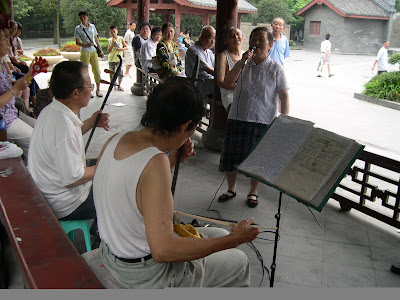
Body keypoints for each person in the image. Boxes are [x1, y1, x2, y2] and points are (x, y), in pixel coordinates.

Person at [93, 77, 259, 288]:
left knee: (220, 233)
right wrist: (235, 240)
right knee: (238, 260)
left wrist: (172, 161)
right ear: (184, 126)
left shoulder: (116, 139)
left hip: (113, 254)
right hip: (144, 274)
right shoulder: (155, 162)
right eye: (192, 130)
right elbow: (162, 250)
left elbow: (135, 191)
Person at [28, 61, 110, 236]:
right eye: (90, 86)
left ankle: (100, 231)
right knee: (119, 191)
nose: (92, 88)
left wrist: (91, 123)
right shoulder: (63, 125)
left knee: (109, 172)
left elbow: (65, 140)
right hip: (65, 203)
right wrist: (104, 166)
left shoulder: (52, 110)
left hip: (50, 190)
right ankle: (106, 243)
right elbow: (73, 178)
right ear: (76, 93)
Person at [218, 27, 290, 208]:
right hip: (238, 115)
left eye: (261, 40)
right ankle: (231, 188)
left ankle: (253, 191)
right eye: (253, 39)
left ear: (270, 45)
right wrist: (242, 62)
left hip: (262, 119)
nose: (256, 44)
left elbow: (284, 96)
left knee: (255, 160)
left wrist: (284, 120)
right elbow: (227, 82)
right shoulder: (244, 64)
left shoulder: (276, 69)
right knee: (231, 157)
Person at [0, 28, 35, 161]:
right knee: (35, 140)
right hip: (4, 121)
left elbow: (16, 85)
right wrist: (15, 89)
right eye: (3, 38)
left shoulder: (2, 64)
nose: (8, 42)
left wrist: (30, 73)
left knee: (41, 127)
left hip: (11, 113)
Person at [74, 10, 104, 97]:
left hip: (93, 51)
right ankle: (87, 91)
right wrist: (86, 44)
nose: (83, 19)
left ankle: (98, 90)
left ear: (87, 17)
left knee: (97, 71)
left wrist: (100, 50)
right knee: (85, 72)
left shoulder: (92, 26)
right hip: (85, 51)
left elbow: (96, 38)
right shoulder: (78, 28)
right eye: (81, 17)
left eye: (84, 17)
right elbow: (77, 42)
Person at [217, 27, 243, 112]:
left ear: (242, 37)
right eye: (232, 36)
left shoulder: (246, 55)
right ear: (227, 41)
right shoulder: (223, 56)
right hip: (231, 96)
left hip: (244, 94)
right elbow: (221, 82)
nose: (236, 37)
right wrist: (241, 87)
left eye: (238, 34)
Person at [185, 26, 216, 97]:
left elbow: (215, 67)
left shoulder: (209, 52)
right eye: (210, 38)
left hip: (210, 81)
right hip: (199, 83)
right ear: (202, 37)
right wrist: (220, 77)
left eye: (214, 38)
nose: (213, 41)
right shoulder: (193, 50)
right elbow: (207, 69)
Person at [107, 25, 128, 91]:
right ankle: (114, 85)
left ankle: (119, 85)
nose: (113, 33)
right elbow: (108, 50)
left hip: (119, 58)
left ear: (117, 31)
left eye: (114, 32)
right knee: (111, 73)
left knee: (120, 72)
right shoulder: (110, 40)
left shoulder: (120, 38)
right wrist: (112, 44)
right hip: (111, 59)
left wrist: (121, 49)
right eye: (111, 32)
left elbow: (126, 47)